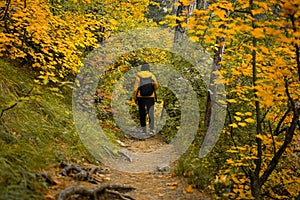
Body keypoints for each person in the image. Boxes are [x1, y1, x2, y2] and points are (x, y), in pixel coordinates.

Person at [133, 63, 158, 136]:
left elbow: (135, 89)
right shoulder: (152, 75)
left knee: (142, 113)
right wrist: (152, 88)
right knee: (151, 113)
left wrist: (135, 98)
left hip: (141, 97)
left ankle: (143, 131)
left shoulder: (138, 76)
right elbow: (156, 85)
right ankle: (151, 130)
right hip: (150, 97)